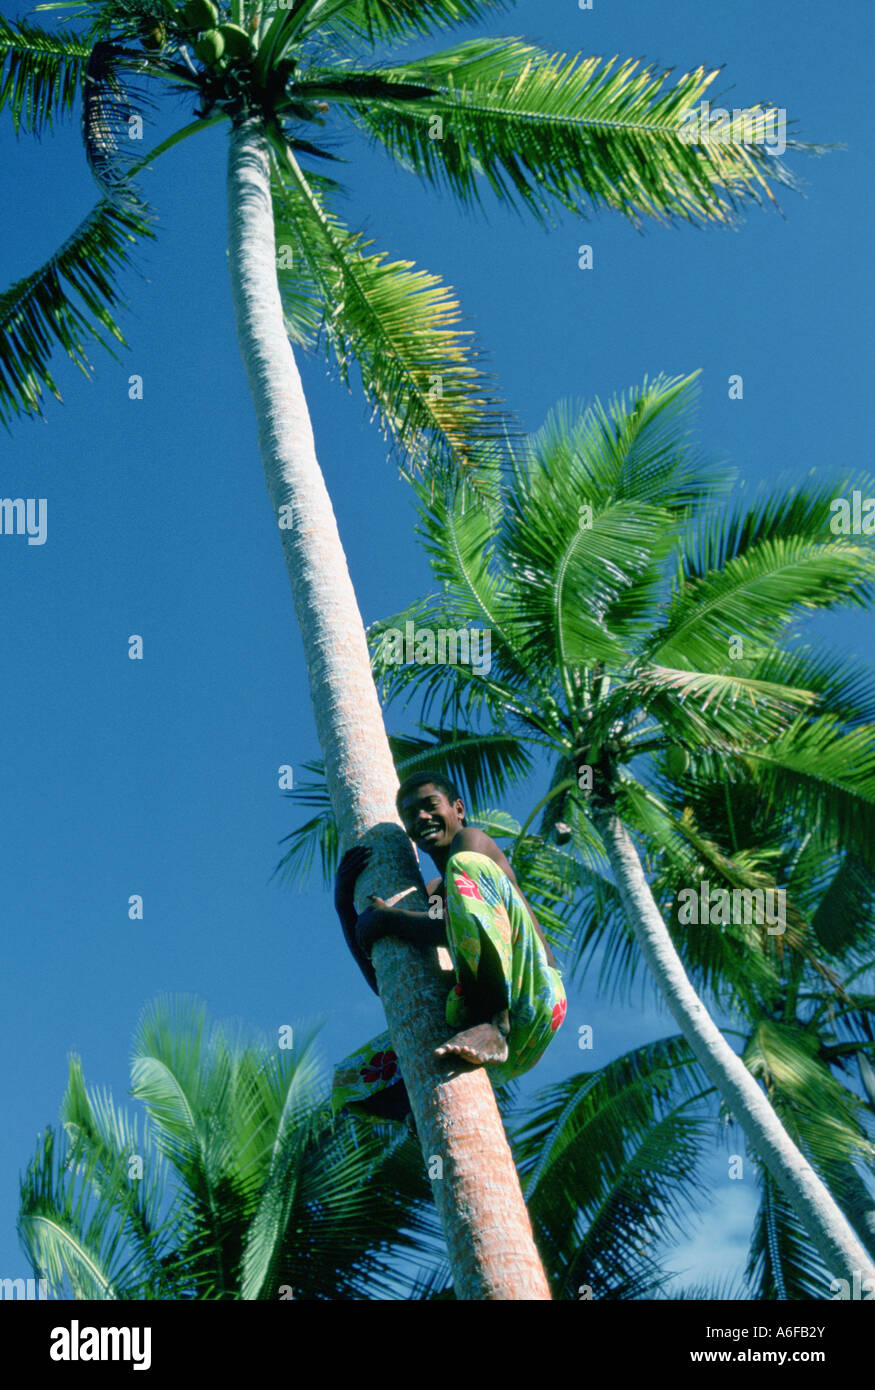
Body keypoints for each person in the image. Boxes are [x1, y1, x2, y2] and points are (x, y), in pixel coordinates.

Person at [331, 771, 566, 1121]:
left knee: (464, 865)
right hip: (493, 1044)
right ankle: (424, 1107)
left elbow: (453, 925)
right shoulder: (436, 893)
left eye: (430, 806)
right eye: (410, 815)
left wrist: (389, 919)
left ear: (458, 809)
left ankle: (495, 1025)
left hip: (531, 992)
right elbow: (387, 982)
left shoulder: (473, 843)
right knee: (349, 1083)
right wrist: (343, 905)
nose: (421, 817)